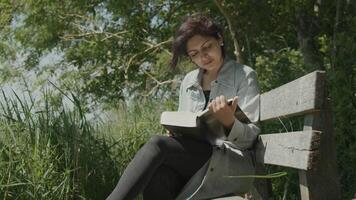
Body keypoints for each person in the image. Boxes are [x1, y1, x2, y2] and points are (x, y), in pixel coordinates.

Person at [106, 13, 260, 200]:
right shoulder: (188, 81)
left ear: (219, 39)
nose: (203, 57)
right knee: (159, 173)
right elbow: (187, 122)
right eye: (194, 54)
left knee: (157, 144)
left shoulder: (244, 75)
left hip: (229, 163)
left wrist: (229, 121)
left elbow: (250, 139)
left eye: (207, 47)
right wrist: (177, 134)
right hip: (196, 162)